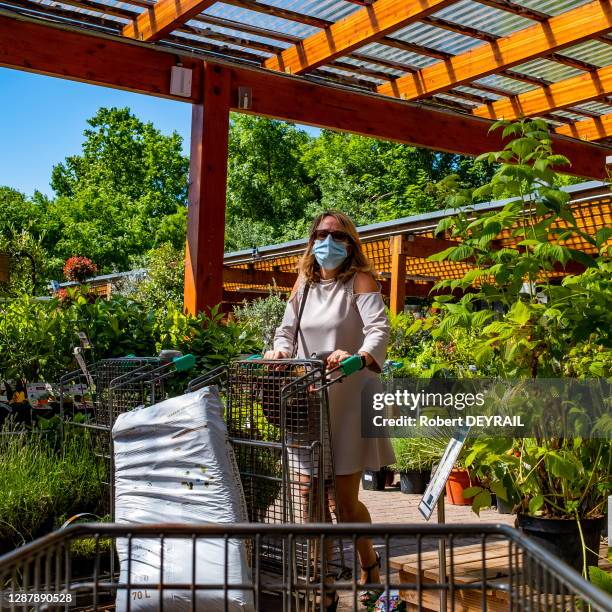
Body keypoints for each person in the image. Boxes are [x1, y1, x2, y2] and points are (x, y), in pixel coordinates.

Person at [264, 210, 395, 610]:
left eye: (337, 235)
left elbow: (379, 329)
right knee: (308, 493)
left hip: (348, 395)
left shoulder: (360, 281)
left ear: (351, 242)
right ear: (311, 239)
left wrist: (357, 355)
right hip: (309, 396)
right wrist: (280, 349)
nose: (328, 241)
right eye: (321, 234)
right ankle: (321, 583)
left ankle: (369, 564)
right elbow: (286, 329)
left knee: (343, 498)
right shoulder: (302, 283)